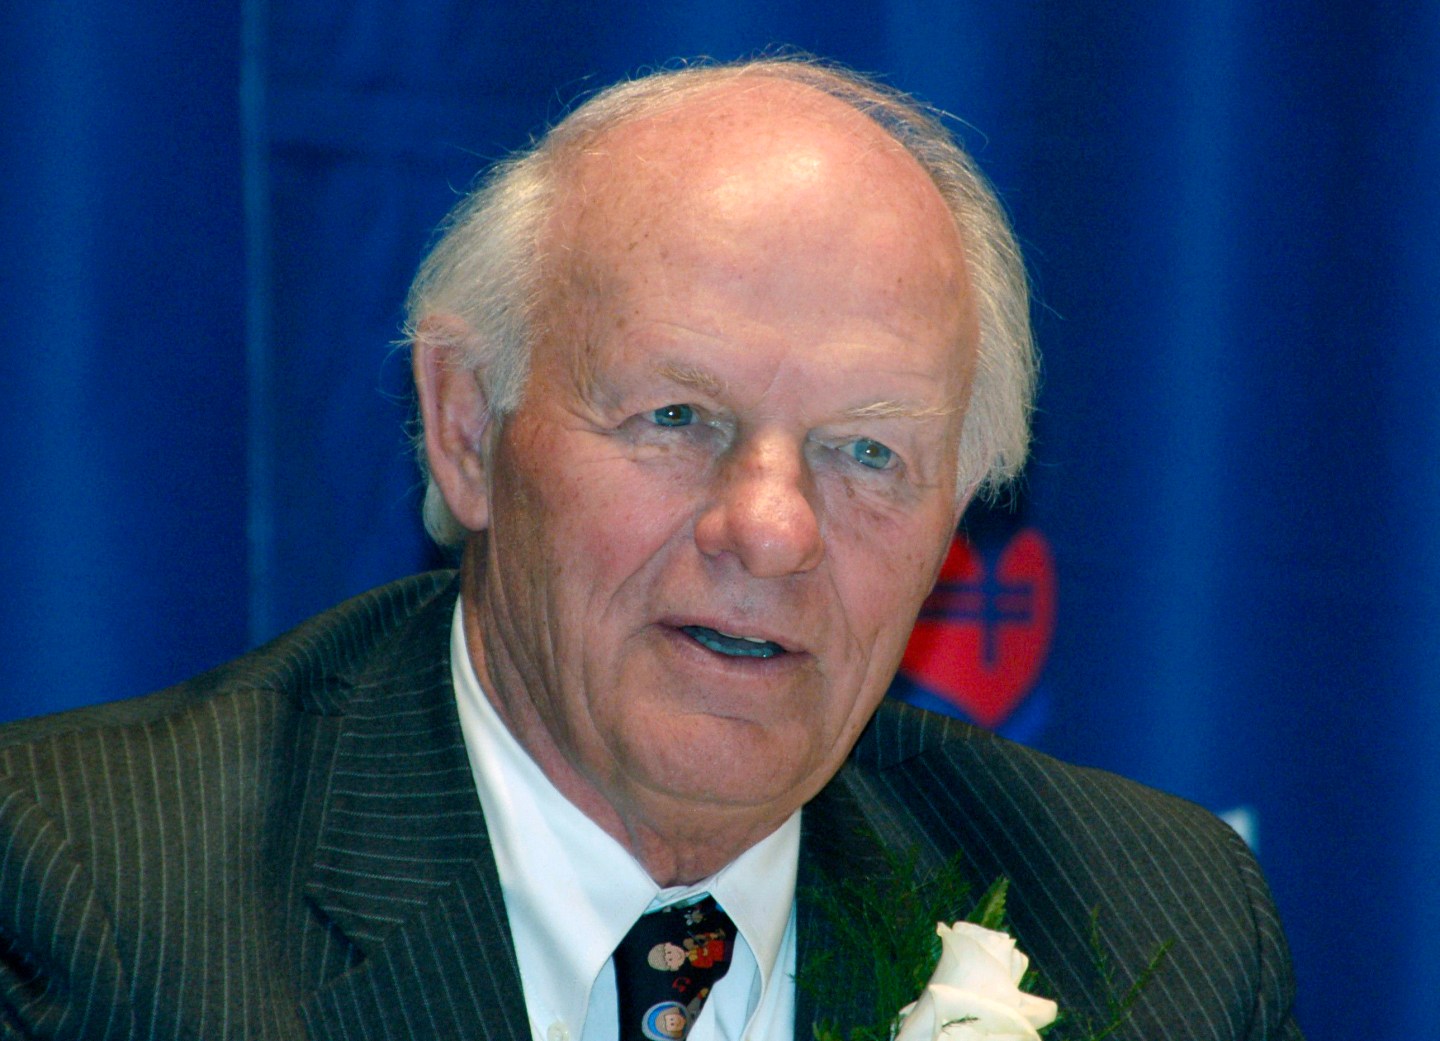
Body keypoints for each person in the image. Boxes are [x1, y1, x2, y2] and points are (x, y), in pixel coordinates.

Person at [0, 57, 1301, 1041]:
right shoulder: (85, 900)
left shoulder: (1156, 936)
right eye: (678, 418)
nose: (774, 527)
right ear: (465, 428)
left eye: (867, 453)